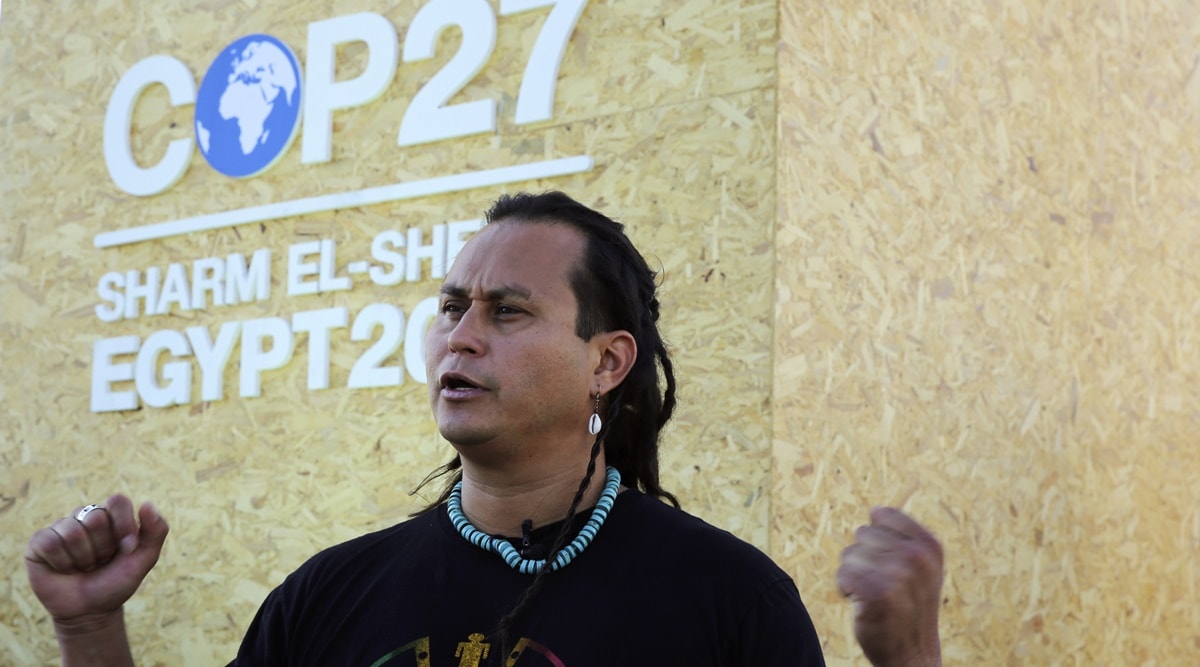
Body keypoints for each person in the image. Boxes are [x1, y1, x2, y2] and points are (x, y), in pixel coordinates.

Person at [25, 192, 944, 666]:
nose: (459, 336)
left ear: (607, 362)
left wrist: (910, 659)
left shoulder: (726, 599)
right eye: (451, 307)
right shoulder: (327, 597)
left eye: (508, 312)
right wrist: (94, 626)